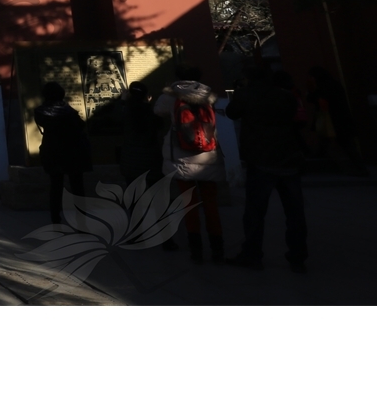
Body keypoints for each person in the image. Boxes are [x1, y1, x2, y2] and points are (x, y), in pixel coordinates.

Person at [227, 64, 309, 272]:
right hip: (289, 156)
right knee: (295, 212)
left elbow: (231, 112)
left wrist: (240, 92)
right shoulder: (285, 96)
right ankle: (298, 256)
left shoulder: (246, 95)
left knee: (255, 211)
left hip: (261, 158)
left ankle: (252, 253)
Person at [155, 65, 226, 262]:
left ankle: (196, 249)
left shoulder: (170, 96)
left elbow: (158, 111)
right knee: (211, 204)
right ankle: (217, 248)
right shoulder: (208, 94)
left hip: (181, 158)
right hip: (208, 157)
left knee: (189, 205)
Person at [34, 81, 91, 225]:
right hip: (73, 151)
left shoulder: (40, 111)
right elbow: (80, 126)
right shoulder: (69, 112)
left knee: (55, 187)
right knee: (77, 187)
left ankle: (55, 219)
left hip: (52, 151)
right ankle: (81, 220)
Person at [117, 80, 164, 188]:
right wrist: (148, 105)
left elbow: (115, 119)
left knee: (133, 194)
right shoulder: (149, 112)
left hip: (130, 159)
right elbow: (159, 125)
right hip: (151, 158)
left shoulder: (126, 112)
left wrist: (123, 101)